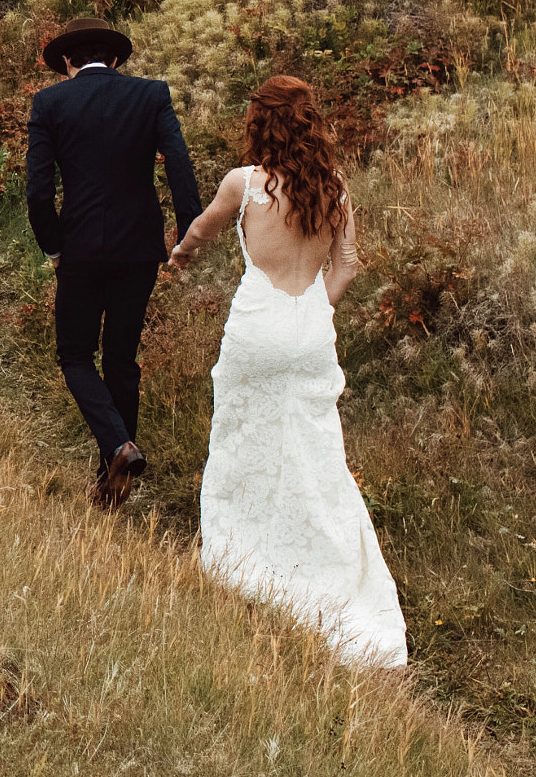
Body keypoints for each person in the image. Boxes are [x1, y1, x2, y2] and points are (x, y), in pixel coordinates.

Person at [169, 74, 407, 668]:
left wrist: (180, 255)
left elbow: (202, 229)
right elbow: (348, 266)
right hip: (309, 329)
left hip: (256, 327)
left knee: (243, 437)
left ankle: (244, 560)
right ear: (309, 121)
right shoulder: (335, 188)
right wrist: (311, 311)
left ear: (260, 121)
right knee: (315, 452)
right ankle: (329, 570)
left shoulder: (245, 185)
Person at [27, 15, 202, 507]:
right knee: (121, 356)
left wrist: (54, 247)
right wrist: (187, 231)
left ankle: (118, 447)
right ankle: (113, 477)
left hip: (80, 248)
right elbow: (180, 165)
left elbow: (39, 193)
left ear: (67, 61)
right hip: (140, 247)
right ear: (118, 59)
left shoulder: (50, 102)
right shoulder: (151, 95)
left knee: (75, 355)